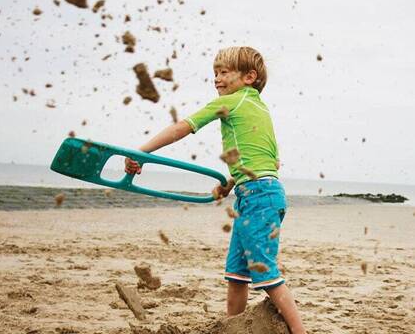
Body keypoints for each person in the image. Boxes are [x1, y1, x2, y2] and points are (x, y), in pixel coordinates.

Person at [125, 46, 306, 333]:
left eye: (224, 72)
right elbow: (264, 160)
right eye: (215, 73)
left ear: (249, 76)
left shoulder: (231, 102)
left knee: (263, 269)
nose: (217, 79)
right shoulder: (258, 106)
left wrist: (142, 152)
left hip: (259, 196)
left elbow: (182, 127)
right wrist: (230, 184)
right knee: (236, 274)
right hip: (258, 193)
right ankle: (231, 327)